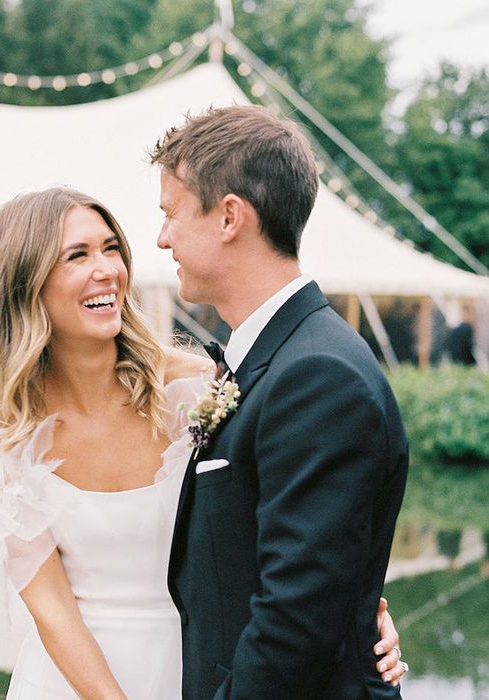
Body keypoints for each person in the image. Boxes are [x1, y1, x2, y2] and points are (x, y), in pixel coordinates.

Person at [0, 188, 407, 698]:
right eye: (78, 255)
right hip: (74, 680)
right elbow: (53, 613)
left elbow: (298, 533)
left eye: (111, 249)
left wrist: (352, 623)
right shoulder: (2, 428)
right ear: (28, 284)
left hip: (209, 669)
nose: (107, 270)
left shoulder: (198, 387)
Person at [151, 106, 409, 698]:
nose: (161, 237)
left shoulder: (318, 376)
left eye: (170, 213)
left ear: (229, 217)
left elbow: (295, 624)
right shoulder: (273, 358)